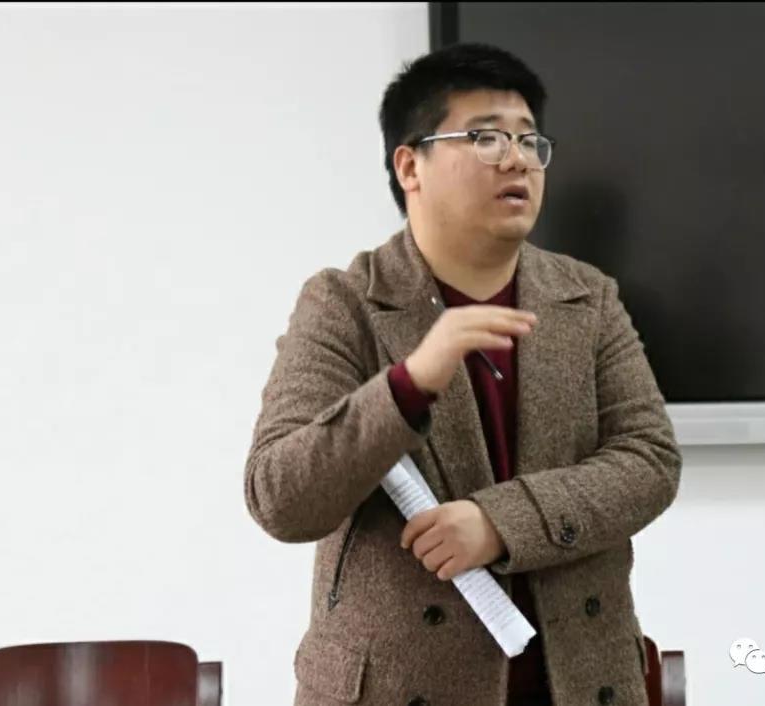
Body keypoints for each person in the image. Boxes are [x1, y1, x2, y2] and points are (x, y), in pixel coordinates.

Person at [244, 42, 682, 706]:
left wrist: (500, 522)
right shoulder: (345, 302)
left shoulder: (586, 297)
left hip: (575, 681)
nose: (517, 159)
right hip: (399, 689)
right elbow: (280, 498)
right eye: (485, 137)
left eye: (529, 140)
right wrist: (409, 385)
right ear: (409, 165)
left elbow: (648, 462)